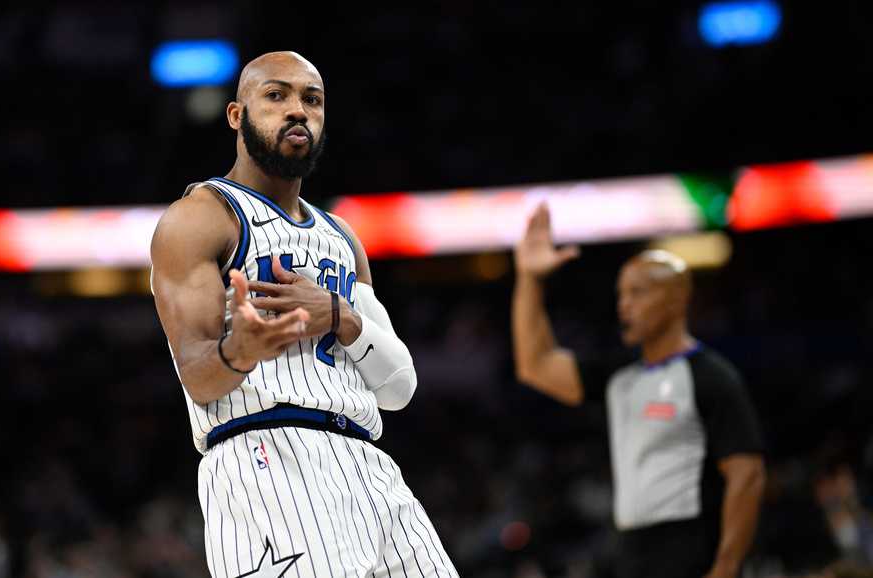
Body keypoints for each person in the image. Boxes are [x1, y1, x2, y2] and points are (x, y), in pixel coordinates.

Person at [150, 51, 457, 578]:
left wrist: (339, 313)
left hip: (369, 466)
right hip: (264, 460)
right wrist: (239, 351)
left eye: (311, 100)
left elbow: (399, 387)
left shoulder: (342, 236)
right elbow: (198, 376)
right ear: (236, 115)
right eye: (276, 95)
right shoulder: (200, 217)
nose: (298, 110)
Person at [511, 203, 766, 578]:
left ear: (678, 299)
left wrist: (726, 566)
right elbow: (535, 365)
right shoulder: (619, 374)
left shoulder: (711, 377)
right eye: (621, 295)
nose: (624, 305)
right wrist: (529, 279)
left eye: (638, 293)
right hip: (631, 554)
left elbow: (747, 474)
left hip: (694, 554)